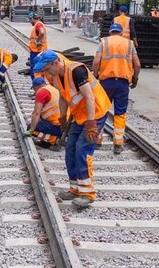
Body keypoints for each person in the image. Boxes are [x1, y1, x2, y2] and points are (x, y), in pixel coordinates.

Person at [34, 50, 111, 210]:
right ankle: (75, 188)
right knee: (70, 149)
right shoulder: (55, 76)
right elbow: (63, 97)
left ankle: (87, 194)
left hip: (94, 113)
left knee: (82, 149)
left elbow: (89, 97)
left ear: (56, 63)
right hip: (79, 114)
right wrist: (62, 119)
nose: (46, 73)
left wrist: (91, 124)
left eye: (48, 69)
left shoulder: (76, 71)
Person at [92, 22, 141, 155]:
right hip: (123, 83)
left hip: (105, 82)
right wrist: (135, 79)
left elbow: (96, 62)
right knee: (120, 112)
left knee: (101, 110)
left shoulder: (104, 42)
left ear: (110, 32)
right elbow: (137, 64)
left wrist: (95, 76)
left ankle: (97, 140)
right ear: (121, 33)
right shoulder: (129, 44)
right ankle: (118, 143)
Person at [24, 76, 64, 148]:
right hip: (64, 125)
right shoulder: (52, 88)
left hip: (56, 126)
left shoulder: (41, 92)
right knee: (38, 122)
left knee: (31, 127)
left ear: (35, 88)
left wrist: (31, 130)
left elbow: (36, 113)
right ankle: (49, 140)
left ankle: (53, 139)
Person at [28, 11, 48, 78]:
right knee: (39, 70)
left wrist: (37, 41)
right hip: (39, 51)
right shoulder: (39, 24)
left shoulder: (38, 24)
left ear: (32, 18)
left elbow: (41, 32)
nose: (30, 22)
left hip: (37, 52)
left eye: (30, 20)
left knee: (35, 71)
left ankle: (37, 85)